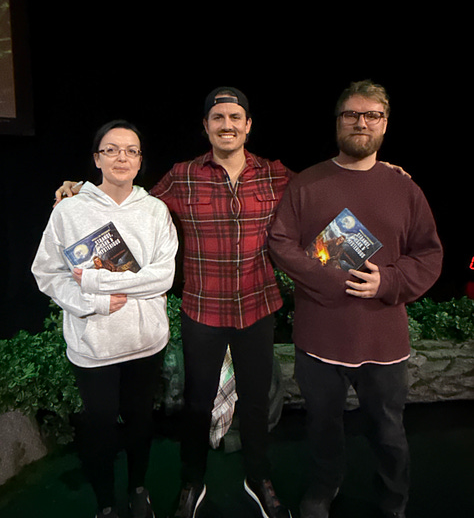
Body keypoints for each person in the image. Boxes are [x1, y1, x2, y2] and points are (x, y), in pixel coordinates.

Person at [55, 88, 294, 518]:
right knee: (197, 404)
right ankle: (192, 480)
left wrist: (381, 169)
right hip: (202, 308)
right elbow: (130, 199)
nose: (227, 124)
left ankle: (258, 477)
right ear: (206, 126)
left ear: (248, 125)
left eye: (235, 117)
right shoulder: (182, 176)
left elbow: (322, 197)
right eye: (217, 117)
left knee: (257, 401)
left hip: (258, 306)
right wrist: (80, 189)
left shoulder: (277, 176)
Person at [267, 80, 443, 518]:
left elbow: (429, 254)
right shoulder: (307, 183)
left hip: (383, 343)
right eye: (351, 114)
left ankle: (393, 500)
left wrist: (386, 283)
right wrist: (330, 279)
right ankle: (324, 488)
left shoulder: (405, 188)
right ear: (338, 120)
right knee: (322, 427)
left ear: (384, 124)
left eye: (372, 115)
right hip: (319, 340)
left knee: (388, 431)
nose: (360, 122)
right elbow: (281, 243)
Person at [32, 120, 179, 518]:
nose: (122, 157)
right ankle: (105, 503)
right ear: (97, 158)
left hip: (146, 340)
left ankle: (138, 489)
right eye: (111, 149)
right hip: (93, 345)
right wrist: (91, 303)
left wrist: (95, 279)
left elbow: (163, 277)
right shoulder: (70, 210)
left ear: (140, 161)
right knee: (98, 427)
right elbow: (47, 273)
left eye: (131, 150)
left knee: (139, 423)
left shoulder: (155, 210)